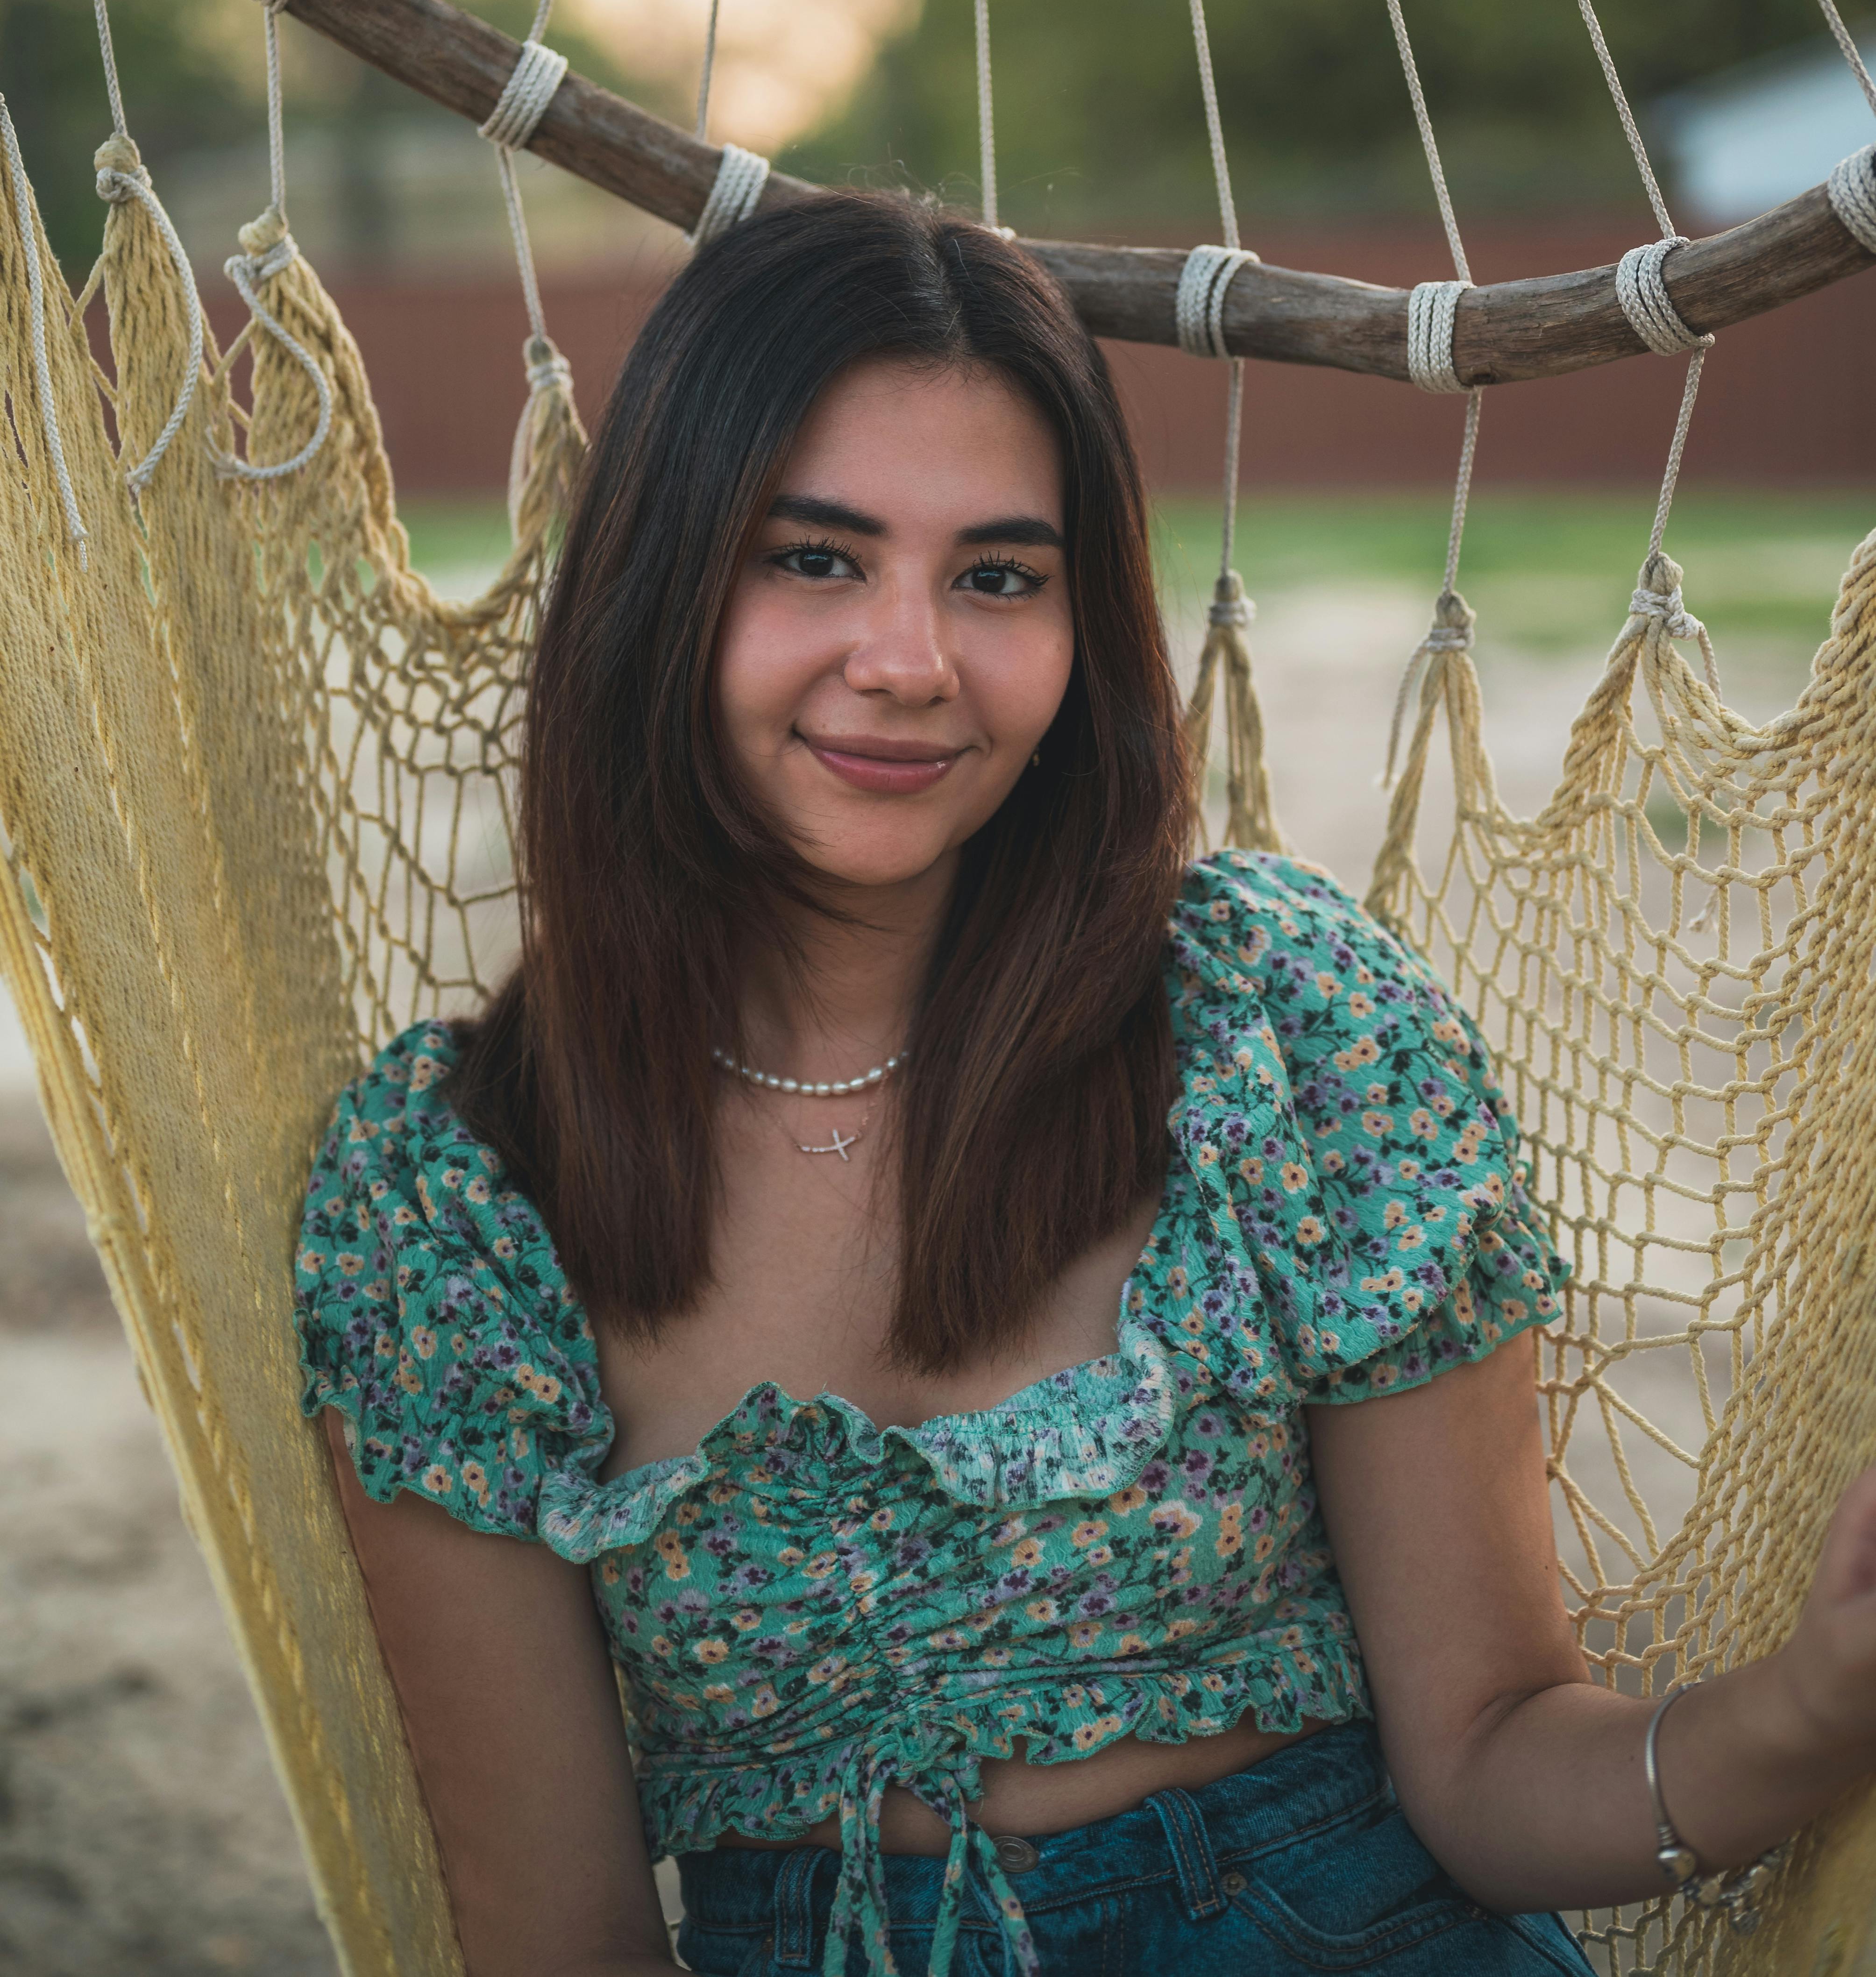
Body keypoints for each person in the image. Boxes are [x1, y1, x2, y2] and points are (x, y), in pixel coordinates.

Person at [295, 194, 1876, 1977]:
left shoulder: (1273, 1025)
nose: (911, 662)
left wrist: (1821, 1704)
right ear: (663, 581)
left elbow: (1500, 1764)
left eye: (997, 575)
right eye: (813, 557)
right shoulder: (457, 1201)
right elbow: (560, 1941)